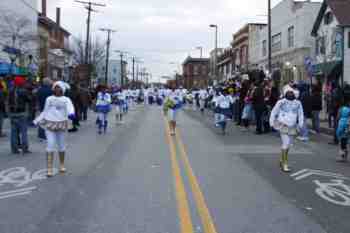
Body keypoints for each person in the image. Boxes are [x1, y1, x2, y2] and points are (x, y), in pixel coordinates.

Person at [34, 81, 75, 177]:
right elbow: (45, 111)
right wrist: (37, 120)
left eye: (59, 87)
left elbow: (70, 107)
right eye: (55, 87)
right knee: (50, 144)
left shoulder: (66, 99)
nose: (57, 89)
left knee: (61, 145)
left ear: (62, 89)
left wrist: (71, 114)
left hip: (61, 124)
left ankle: (61, 164)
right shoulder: (49, 99)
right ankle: (49, 168)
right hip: (50, 124)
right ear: (53, 89)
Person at [270, 87, 304, 172]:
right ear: (285, 94)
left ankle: (281, 159)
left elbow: (301, 114)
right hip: (283, 125)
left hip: (292, 126)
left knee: (289, 145)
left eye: (291, 92)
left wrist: (300, 124)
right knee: (286, 143)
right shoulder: (281, 102)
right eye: (288, 92)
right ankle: (285, 164)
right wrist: (271, 122)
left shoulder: (298, 103)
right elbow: (274, 111)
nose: (290, 94)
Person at [8, 76, 31, 154]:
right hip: (22, 113)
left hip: (12, 113)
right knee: (23, 132)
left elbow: (7, 101)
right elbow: (29, 99)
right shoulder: (23, 91)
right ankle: (24, 148)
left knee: (13, 132)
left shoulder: (10, 90)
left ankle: (14, 149)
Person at [335, 98, 350, 162]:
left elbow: (340, 129)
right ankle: (345, 156)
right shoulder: (348, 119)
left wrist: (338, 134)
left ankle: (342, 157)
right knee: (345, 145)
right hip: (347, 134)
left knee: (342, 146)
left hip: (342, 135)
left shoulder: (342, 120)